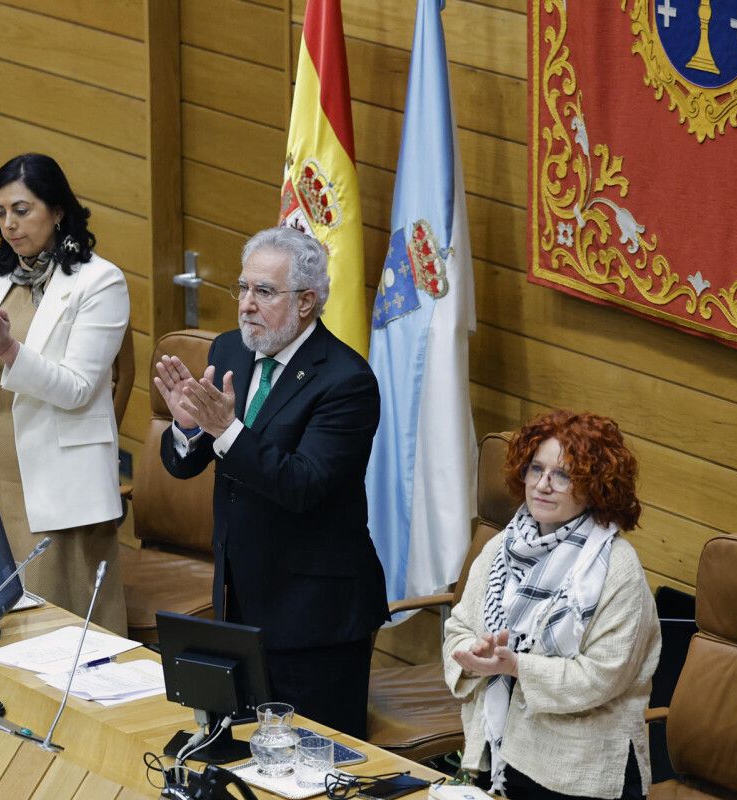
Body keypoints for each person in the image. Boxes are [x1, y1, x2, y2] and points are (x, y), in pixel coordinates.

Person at [155, 226, 388, 738]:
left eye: (264, 292)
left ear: (306, 302)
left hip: (315, 617)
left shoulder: (346, 381)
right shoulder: (229, 350)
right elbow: (185, 465)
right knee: (242, 755)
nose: (246, 305)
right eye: (242, 288)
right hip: (239, 596)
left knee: (309, 762)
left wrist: (225, 429)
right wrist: (188, 428)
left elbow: (301, 485)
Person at [0, 153, 129, 634]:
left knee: (55, 630)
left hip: (57, 481)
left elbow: (78, 389)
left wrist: (9, 349)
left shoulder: (100, 281)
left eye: (22, 210)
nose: (9, 225)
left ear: (57, 210)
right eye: (0, 213)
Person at [442, 410, 660, 800]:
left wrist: (515, 665)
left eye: (563, 475)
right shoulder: (503, 545)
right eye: (535, 469)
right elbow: (459, 626)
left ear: (595, 486)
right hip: (501, 752)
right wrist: (473, 654)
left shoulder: (617, 568)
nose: (543, 485)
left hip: (581, 771)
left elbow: (600, 677)